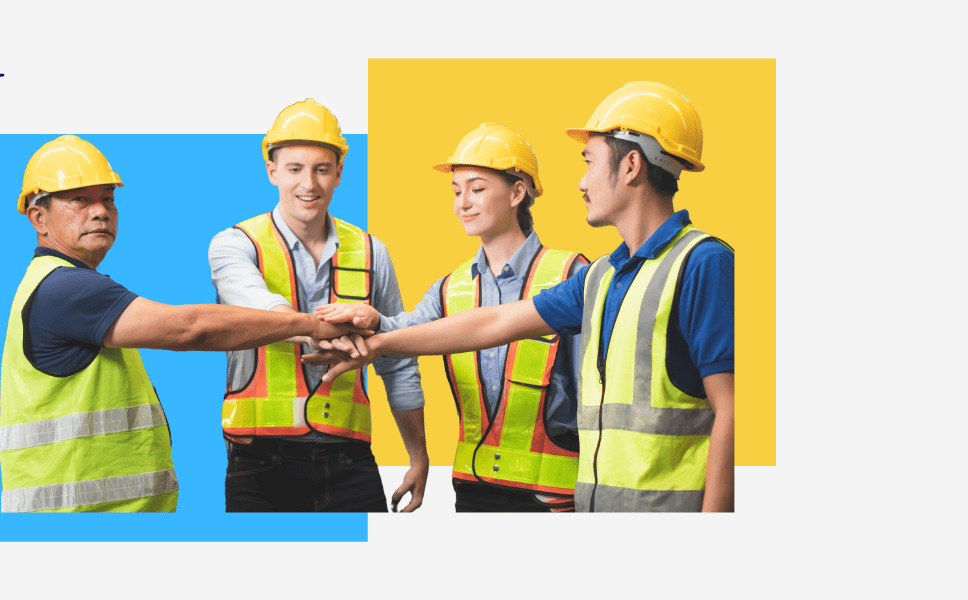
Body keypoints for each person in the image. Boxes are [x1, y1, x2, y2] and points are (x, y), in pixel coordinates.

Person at [307, 82, 735, 512]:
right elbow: (494, 322)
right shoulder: (602, 276)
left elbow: (731, 411)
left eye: (589, 162)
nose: (581, 182)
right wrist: (378, 341)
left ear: (631, 165)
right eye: (457, 190)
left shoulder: (702, 263)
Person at [0, 135, 367, 513]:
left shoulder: (55, 284)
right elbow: (190, 328)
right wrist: (311, 325)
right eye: (80, 199)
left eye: (107, 198)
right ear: (38, 218)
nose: (101, 212)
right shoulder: (66, 289)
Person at [318, 123, 589, 512]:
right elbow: (405, 335)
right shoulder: (450, 288)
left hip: (552, 494)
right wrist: (374, 319)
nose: (463, 203)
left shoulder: (571, 275)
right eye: (457, 191)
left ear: (517, 193)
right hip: (472, 489)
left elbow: (596, 389)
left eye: (477, 189)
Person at [208, 99, 429, 512]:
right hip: (258, 460)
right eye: (295, 169)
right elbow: (263, 311)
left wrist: (418, 456)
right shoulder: (234, 245)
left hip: (349, 457)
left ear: (339, 173)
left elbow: (398, 360)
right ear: (272, 171)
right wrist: (325, 330)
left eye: (321, 169)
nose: (308, 184)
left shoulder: (372, 252)